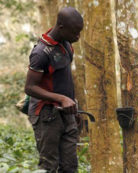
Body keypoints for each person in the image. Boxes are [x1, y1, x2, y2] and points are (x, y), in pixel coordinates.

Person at [24, 7, 83, 172]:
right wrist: (61, 99)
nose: (78, 36)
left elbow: (65, 80)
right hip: (46, 115)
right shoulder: (41, 53)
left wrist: (73, 105)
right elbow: (29, 87)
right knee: (49, 166)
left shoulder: (67, 45)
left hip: (67, 113)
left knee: (70, 166)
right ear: (61, 27)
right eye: (75, 32)